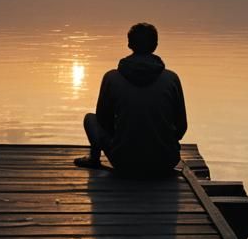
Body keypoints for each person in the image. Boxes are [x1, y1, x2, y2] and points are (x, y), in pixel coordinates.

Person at [75, 22, 187, 176]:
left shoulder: (112, 78)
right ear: (155, 45)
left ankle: (94, 159)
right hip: (165, 162)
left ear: (129, 44)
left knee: (91, 119)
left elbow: (103, 121)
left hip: (124, 162)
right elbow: (181, 128)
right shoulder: (171, 79)